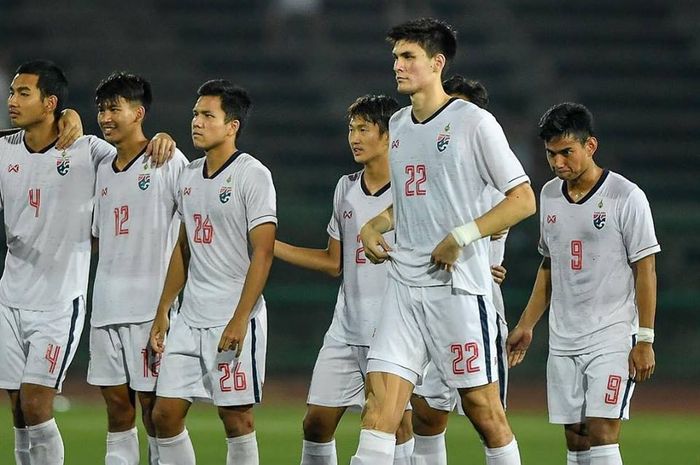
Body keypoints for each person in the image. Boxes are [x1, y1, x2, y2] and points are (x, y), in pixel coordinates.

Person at [352, 18, 535, 465]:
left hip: (457, 289)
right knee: (380, 411)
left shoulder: (474, 122)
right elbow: (417, 200)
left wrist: (463, 236)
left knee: (483, 411)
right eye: (396, 56)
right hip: (403, 288)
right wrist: (374, 225)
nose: (398, 65)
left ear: (436, 63)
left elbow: (523, 198)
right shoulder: (398, 123)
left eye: (408, 56)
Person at [0, 59, 175, 465]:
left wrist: (162, 136)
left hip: (61, 300)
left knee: (37, 403)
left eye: (23, 93)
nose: (12, 99)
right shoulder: (4, 149)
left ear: (50, 103)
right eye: (12, 92)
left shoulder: (90, 151)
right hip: (10, 296)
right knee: (18, 411)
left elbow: (131, 154)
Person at [507, 102, 659, 465]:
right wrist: (527, 325)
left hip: (610, 335)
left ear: (590, 146)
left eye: (566, 153)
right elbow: (550, 265)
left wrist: (645, 338)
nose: (558, 163)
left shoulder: (626, 196)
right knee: (576, 438)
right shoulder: (549, 195)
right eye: (550, 154)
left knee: (603, 432)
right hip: (563, 339)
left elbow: (646, 270)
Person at [274, 94, 415, 465]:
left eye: (363, 129)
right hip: (345, 327)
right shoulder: (345, 187)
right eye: (351, 129)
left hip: (393, 328)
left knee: (394, 425)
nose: (354, 137)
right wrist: (271, 247)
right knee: (316, 424)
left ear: (387, 137)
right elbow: (333, 261)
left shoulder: (410, 191)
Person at [149, 80, 276, 465]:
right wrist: (163, 310)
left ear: (232, 125)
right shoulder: (188, 176)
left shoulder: (253, 174)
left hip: (233, 315)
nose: (197, 123)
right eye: (195, 114)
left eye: (208, 115)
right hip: (190, 317)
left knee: (236, 418)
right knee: (164, 415)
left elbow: (264, 252)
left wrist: (240, 319)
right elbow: (184, 248)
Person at [87, 72, 188, 465]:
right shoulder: (101, 169)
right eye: (101, 109)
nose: (105, 117)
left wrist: (168, 305)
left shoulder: (167, 159)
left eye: (115, 108)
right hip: (107, 306)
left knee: (153, 410)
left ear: (138, 112)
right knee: (116, 409)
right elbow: (99, 235)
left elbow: (190, 229)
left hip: (150, 309)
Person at [410, 75, 511, 465]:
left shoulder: (494, 177)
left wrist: (487, 258)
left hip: (476, 304)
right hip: (432, 299)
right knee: (426, 413)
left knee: (486, 414)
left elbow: (517, 205)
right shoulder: (433, 169)